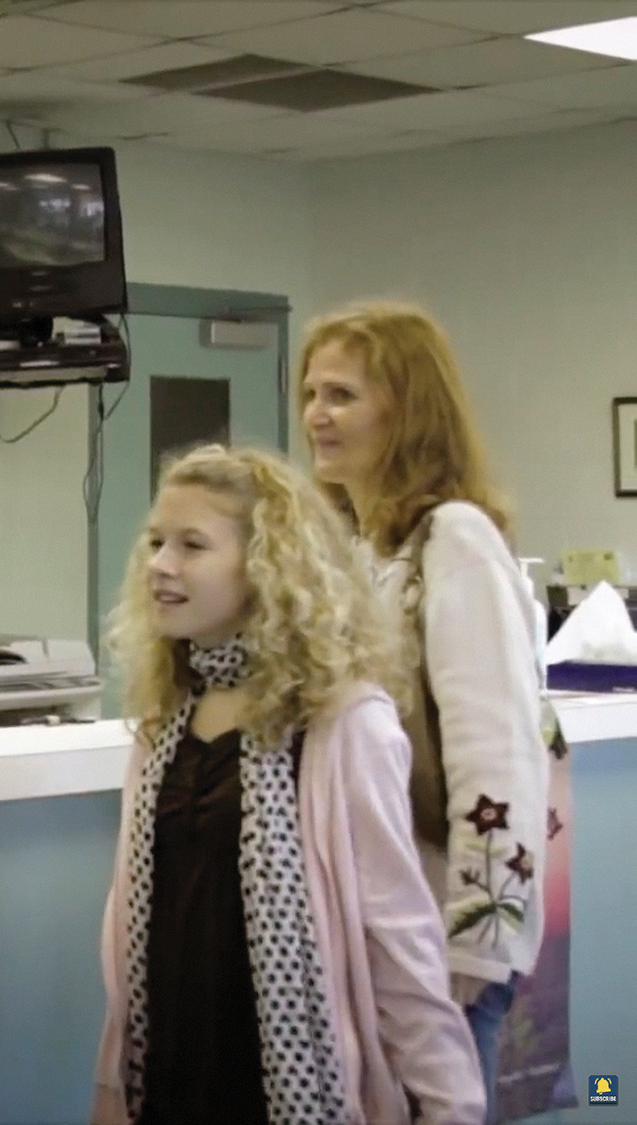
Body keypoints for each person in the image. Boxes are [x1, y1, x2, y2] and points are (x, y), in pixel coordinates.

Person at [92, 445, 482, 1125]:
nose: (160, 564)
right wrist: (111, 1087)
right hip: (169, 1071)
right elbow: (134, 929)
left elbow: (397, 934)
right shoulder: (166, 718)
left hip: (286, 1084)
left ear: (267, 567)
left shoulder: (343, 725)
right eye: (156, 541)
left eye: (192, 545)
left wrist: (451, 1102)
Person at [300, 302, 548, 1111]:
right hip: (377, 931)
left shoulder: (455, 540)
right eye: (310, 393)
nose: (315, 414)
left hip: (448, 933)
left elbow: (497, 749)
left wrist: (478, 940)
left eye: (341, 394)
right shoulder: (362, 550)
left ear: (405, 411)